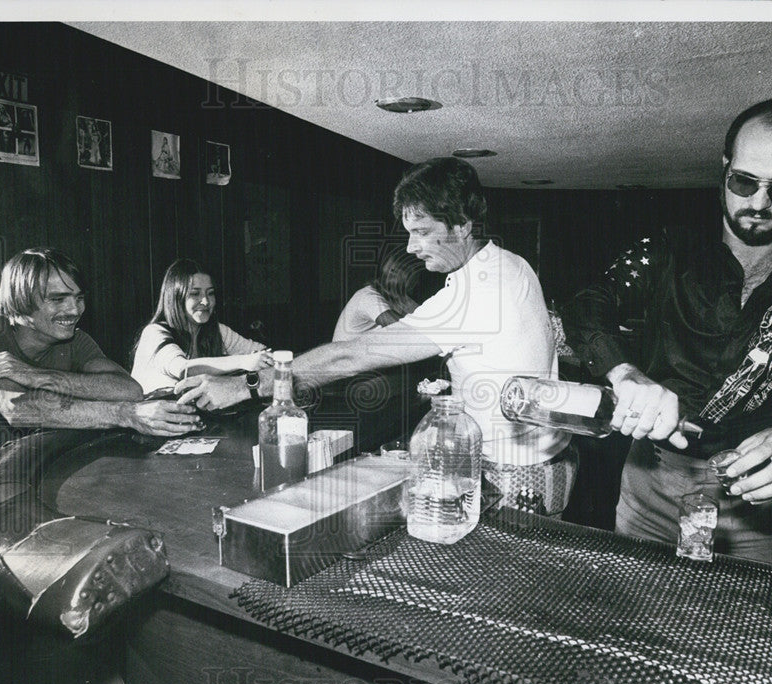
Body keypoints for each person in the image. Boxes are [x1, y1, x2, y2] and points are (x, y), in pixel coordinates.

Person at [177, 157, 576, 515]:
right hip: (548, 458)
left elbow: (350, 357)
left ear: (462, 226)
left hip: (513, 475)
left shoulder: (474, 292)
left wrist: (248, 386)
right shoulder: (512, 263)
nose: (411, 246)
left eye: (421, 231)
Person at [561, 96, 772, 565]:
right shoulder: (668, 247)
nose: (758, 203)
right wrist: (624, 372)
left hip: (759, 502)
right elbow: (586, 305)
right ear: (724, 167)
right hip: (651, 480)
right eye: (743, 181)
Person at [0, 247, 200, 486]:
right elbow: (19, 408)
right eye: (57, 299)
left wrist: (32, 375)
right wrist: (126, 415)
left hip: (11, 474)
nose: (74, 309)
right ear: (20, 300)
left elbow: (129, 390)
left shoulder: (75, 340)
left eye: (78, 298)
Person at [131, 258, 273, 394]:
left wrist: (267, 359)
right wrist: (243, 361)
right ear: (175, 297)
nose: (205, 301)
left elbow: (260, 353)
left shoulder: (217, 330)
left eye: (210, 293)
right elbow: (183, 370)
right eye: (195, 293)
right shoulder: (154, 332)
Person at [332, 249, 431, 341]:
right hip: (346, 358)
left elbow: (428, 325)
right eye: (392, 268)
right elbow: (400, 330)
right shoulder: (367, 296)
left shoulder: (402, 299)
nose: (393, 271)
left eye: (403, 269)